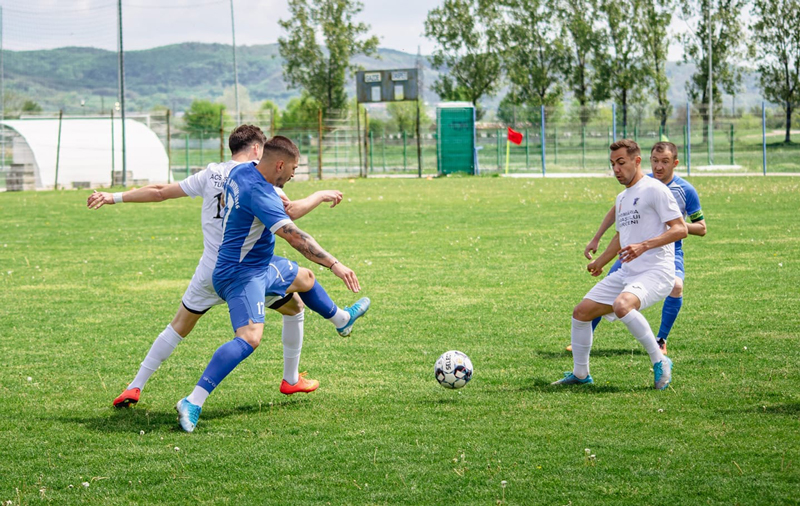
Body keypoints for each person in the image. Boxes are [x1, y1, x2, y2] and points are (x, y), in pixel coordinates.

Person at [87, 125, 370, 409]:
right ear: (258, 149)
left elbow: (160, 191)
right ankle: (291, 371)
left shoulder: (214, 173)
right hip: (242, 271)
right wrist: (320, 197)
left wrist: (113, 197)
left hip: (209, 270)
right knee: (277, 316)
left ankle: (135, 386)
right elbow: (290, 217)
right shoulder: (261, 182)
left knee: (178, 327)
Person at [176, 135, 363, 432]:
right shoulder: (260, 192)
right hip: (240, 274)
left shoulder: (242, 171)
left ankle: (341, 320)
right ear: (279, 165)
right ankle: (193, 401)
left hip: (260, 265)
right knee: (250, 337)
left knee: (304, 279)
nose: (294, 175)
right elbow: (296, 238)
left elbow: (232, 199)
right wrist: (335, 264)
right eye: (294, 169)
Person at [552, 139, 687, 390]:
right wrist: (601, 261)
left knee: (622, 305)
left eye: (621, 163)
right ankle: (580, 374)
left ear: (637, 161)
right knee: (581, 313)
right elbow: (620, 236)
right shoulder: (623, 197)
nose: (616, 169)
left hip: (657, 271)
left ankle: (660, 360)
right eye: (613, 164)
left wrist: (644, 245)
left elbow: (680, 229)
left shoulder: (655, 189)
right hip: (628, 272)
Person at [568, 141, 706, 354]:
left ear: (675, 163)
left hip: (667, 252)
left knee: (675, 287)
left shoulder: (682, 190)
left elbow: (700, 228)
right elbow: (618, 215)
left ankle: (661, 341)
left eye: (665, 162)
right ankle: (584, 334)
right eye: (655, 161)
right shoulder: (635, 186)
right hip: (631, 252)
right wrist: (598, 246)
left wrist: (664, 220)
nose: (658, 166)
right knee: (598, 296)